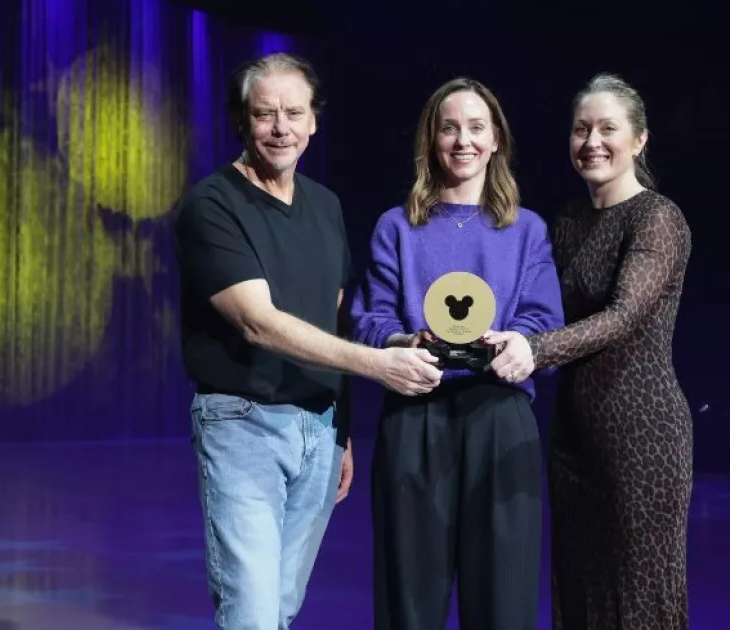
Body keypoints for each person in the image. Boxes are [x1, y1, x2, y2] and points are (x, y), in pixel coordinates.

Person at [173, 52, 443, 630]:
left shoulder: (325, 205)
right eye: (265, 114)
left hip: (318, 429)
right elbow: (258, 322)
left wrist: (342, 429)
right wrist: (378, 365)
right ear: (242, 120)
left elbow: (336, 316)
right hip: (242, 424)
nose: (281, 128)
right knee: (251, 615)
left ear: (314, 121)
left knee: (279, 610)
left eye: (294, 113)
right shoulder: (212, 205)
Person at [348, 76, 565, 630]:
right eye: (449, 128)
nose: (463, 140)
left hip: (500, 416)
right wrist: (403, 342)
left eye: (476, 128)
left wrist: (519, 343)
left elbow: (543, 319)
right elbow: (370, 319)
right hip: (415, 417)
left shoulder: (527, 230)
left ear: (496, 141)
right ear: (431, 140)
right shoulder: (397, 227)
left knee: (503, 602)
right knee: (409, 602)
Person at [486, 72, 694, 629]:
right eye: (581, 129)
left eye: (608, 129)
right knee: (578, 593)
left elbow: (624, 316)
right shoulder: (570, 220)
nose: (592, 142)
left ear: (639, 139)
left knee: (636, 597)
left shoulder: (657, 217)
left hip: (641, 435)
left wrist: (534, 350)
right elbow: (537, 307)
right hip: (573, 437)